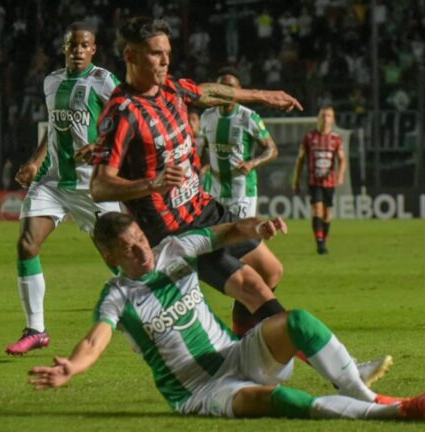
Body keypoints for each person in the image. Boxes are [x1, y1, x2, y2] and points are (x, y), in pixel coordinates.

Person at [28, 212, 425, 421]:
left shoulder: (174, 249)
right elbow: (95, 339)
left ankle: (364, 394)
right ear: (109, 257)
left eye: (140, 240)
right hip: (201, 392)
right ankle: (387, 413)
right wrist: (73, 367)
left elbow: (223, 233)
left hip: (237, 355)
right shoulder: (118, 295)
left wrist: (255, 228)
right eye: (129, 249)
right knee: (278, 401)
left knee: (296, 320)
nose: (142, 251)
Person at [90, 17, 301, 338]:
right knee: (254, 289)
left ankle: (243, 345)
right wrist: (153, 184)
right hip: (174, 230)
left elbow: (208, 92)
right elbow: (99, 186)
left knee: (271, 270)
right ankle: (332, 364)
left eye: (167, 53)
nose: (165, 61)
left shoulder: (171, 89)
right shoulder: (122, 113)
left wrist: (264, 96)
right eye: (155, 53)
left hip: (202, 208)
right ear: (130, 56)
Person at [5, 22, 123, 356]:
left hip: (93, 185)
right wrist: (34, 160)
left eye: (84, 45)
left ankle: (148, 310)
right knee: (27, 245)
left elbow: (124, 123)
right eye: (72, 45)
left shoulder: (104, 81)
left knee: (118, 256)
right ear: (65, 47)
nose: (77, 50)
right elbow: (55, 130)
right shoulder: (51, 80)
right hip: (54, 181)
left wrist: (99, 146)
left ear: (94, 49)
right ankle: (36, 329)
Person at [198, 67, 279, 218]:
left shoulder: (248, 118)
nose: (225, 92)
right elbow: (200, 150)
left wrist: (253, 163)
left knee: (241, 240)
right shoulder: (206, 117)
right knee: (216, 239)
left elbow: (272, 150)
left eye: (230, 88)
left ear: (239, 90)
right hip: (214, 188)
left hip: (241, 189)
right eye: (221, 87)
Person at [292, 106, 346, 255]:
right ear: (318, 118)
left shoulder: (335, 138)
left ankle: (324, 239)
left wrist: (340, 175)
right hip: (313, 181)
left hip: (329, 182)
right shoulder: (310, 137)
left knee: (327, 214)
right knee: (317, 210)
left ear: (333, 119)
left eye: (328, 116)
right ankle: (320, 243)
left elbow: (342, 159)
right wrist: (295, 180)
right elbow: (300, 159)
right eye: (323, 115)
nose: (325, 118)